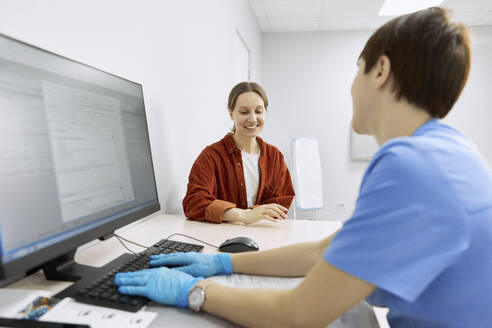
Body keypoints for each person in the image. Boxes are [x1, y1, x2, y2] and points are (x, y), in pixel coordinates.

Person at [114, 7, 492, 327]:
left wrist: (191, 291)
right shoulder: (447, 151)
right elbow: (321, 253)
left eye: (357, 69)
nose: (352, 86)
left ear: (380, 71)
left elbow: (297, 313)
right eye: (243, 111)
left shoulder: (409, 165)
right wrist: (222, 262)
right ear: (231, 114)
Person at [182, 82, 295, 224]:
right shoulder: (211, 156)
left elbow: (283, 199)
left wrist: (254, 215)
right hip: (220, 238)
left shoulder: (275, 156)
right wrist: (242, 215)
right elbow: (193, 202)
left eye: (258, 111)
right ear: (231, 113)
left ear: (265, 113)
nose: (253, 119)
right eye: (244, 112)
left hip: (264, 234)